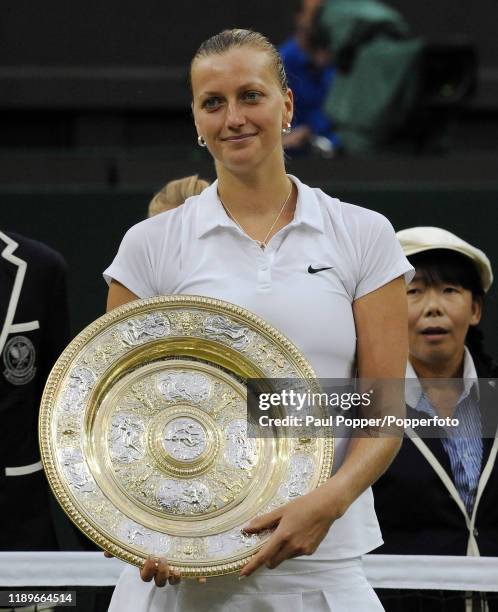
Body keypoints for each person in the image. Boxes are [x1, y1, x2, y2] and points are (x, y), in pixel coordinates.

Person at [103, 28, 414, 611]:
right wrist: (137, 528)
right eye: (212, 103)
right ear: (196, 119)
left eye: (251, 96)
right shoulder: (149, 245)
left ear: (287, 104)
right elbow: (109, 408)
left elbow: (383, 410)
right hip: (181, 573)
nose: (234, 118)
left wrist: (328, 501)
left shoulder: (364, 234)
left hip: (322, 564)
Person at [373, 227, 498, 611]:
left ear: (475, 309)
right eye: (415, 291)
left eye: (450, 290)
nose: (433, 307)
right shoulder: (361, 404)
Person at [0, 230, 95, 552]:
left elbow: (260, 374)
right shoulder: (149, 245)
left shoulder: (40, 268)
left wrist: (262, 497)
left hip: (243, 522)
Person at [279, 0, 340, 154]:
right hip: (299, 159)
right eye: (315, 14)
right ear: (299, 16)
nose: (321, 20)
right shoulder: (281, 64)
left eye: (324, 13)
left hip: (341, 153)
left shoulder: (340, 60)